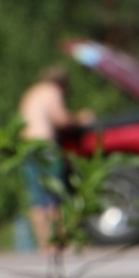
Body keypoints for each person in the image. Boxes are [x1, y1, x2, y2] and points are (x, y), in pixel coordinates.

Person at [17, 65, 94, 251]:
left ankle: (44, 243)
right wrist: (81, 118)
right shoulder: (52, 91)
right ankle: (59, 242)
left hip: (26, 147)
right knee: (53, 194)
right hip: (44, 147)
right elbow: (61, 119)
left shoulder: (33, 91)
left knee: (36, 197)